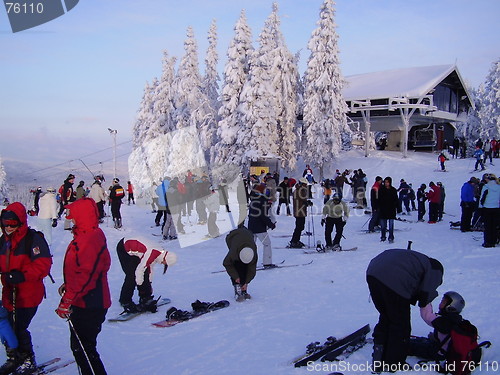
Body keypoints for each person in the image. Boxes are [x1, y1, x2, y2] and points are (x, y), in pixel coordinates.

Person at [55, 198, 111, 375]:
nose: (69, 218)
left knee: (84, 349)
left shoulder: (89, 239)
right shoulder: (89, 234)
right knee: (82, 348)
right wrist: (69, 284)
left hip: (90, 303)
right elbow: (90, 269)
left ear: (81, 216)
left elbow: (86, 275)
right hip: (87, 299)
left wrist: (68, 299)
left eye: (72, 215)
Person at [366, 249, 444, 372]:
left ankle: (379, 354)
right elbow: (425, 296)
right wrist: (434, 319)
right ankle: (394, 363)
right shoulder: (435, 269)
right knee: (400, 324)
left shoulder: (418, 261)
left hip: (373, 272)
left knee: (386, 316)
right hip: (394, 278)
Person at [0, 202, 52, 374]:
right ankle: (14, 357)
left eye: (12, 224)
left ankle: (27, 359)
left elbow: (43, 264)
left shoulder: (32, 239)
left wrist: (22, 275)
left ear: (20, 222)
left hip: (28, 293)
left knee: (19, 327)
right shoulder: (4, 241)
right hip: (10, 293)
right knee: (7, 326)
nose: (8, 228)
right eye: (5, 224)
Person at [116, 238, 177, 313]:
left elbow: (149, 269)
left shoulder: (160, 253)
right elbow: (140, 270)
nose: (163, 264)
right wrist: (139, 283)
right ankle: (125, 300)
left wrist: (148, 287)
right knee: (132, 275)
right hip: (124, 248)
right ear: (165, 259)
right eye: (165, 263)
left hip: (135, 250)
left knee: (142, 274)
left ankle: (144, 297)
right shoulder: (153, 252)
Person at [408, 291, 465, 362]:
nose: (441, 303)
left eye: (444, 302)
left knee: (408, 345)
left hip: (438, 352)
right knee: (417, 341)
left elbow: (427, 316)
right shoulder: (455, 319)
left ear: (451, 306)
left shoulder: (445, 321)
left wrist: (425, 300)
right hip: (441, 347)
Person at [223, 226, 258, 302]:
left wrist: (246, 282)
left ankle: (244, 289)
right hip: (232, 238)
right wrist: (235, 277)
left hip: (248, 236)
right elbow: (227, 264)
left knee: (245, 267)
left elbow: (252, 269)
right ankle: (237, 289)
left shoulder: (253, 252)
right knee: (237, 265)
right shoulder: (233, 252)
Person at [247, 184, 276, 268]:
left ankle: (248, 263)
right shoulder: (262, 200)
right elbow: (263, 215)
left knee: (251, 246)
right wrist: (270, 224)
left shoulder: (253, 199)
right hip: (259, 228)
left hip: (251, 226)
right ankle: (267, 262)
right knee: (267, 244)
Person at [478, 173, 500, 247]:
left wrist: (480, 208)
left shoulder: (486, 186)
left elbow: (482, 198)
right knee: (494, 226)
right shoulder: (499, 186)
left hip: (487, 208)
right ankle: (493, 241)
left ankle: (487, 242)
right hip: (496, 208)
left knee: (487, 226)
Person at [289, 178, 311, 248]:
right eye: (305, 184)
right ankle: (294, 241)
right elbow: (301, 199)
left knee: (300, 226)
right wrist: (306, 202)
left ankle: (296, 240)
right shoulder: (299, 190)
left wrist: (306, 202)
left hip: (300, 211)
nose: (306, 186)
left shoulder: (300, 190)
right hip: (299, 211)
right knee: (299, 227)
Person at [378, 177, 398, 243]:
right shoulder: (381, 189)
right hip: (383, 210)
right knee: (383, 225)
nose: (386, 183)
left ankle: (391, 237)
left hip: (391, 210)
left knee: (391, 225)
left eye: (388, 182)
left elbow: (396, 200)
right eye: (385, 182)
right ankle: (383, 236)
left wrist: (397, 208)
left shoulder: (393, 190)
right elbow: (378, 200)